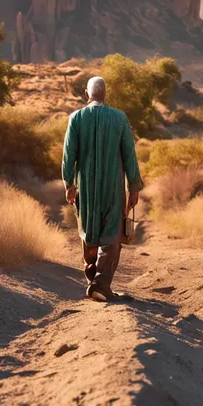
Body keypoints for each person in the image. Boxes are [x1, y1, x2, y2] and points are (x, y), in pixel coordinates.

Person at [62, 76, 143, 302]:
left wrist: (69, 184)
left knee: (89, 230)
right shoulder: (119, 118)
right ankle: (100, 284)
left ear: (86, 94)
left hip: (85, 188)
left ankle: (94, 281)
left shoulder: (76, 118)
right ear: (104, 95)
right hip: (113, 187)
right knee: (111, 235)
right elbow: (129, 155)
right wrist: (134, 187)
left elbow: (69, 155)